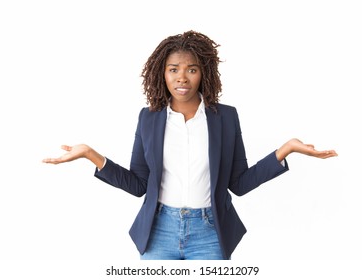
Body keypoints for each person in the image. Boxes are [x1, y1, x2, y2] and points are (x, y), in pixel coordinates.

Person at [42, 30, 338, 260]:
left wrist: (285, 150)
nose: (182, 77)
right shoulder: (149, 118)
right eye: (173, 69)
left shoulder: (225, 117)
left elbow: (239, 183)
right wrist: (91, 155)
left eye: (191, 69)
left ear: (203, 73)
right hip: (158, 232)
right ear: (163, 73)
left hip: (210, 232)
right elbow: (138, 185)